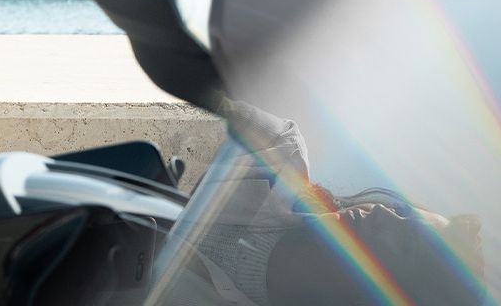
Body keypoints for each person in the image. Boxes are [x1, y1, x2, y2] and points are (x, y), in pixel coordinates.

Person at [161, 99, 486, 305]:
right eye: (401, 211)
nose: (383, 214)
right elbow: (173, 91)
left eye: (404, 242)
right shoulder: (272, 154)